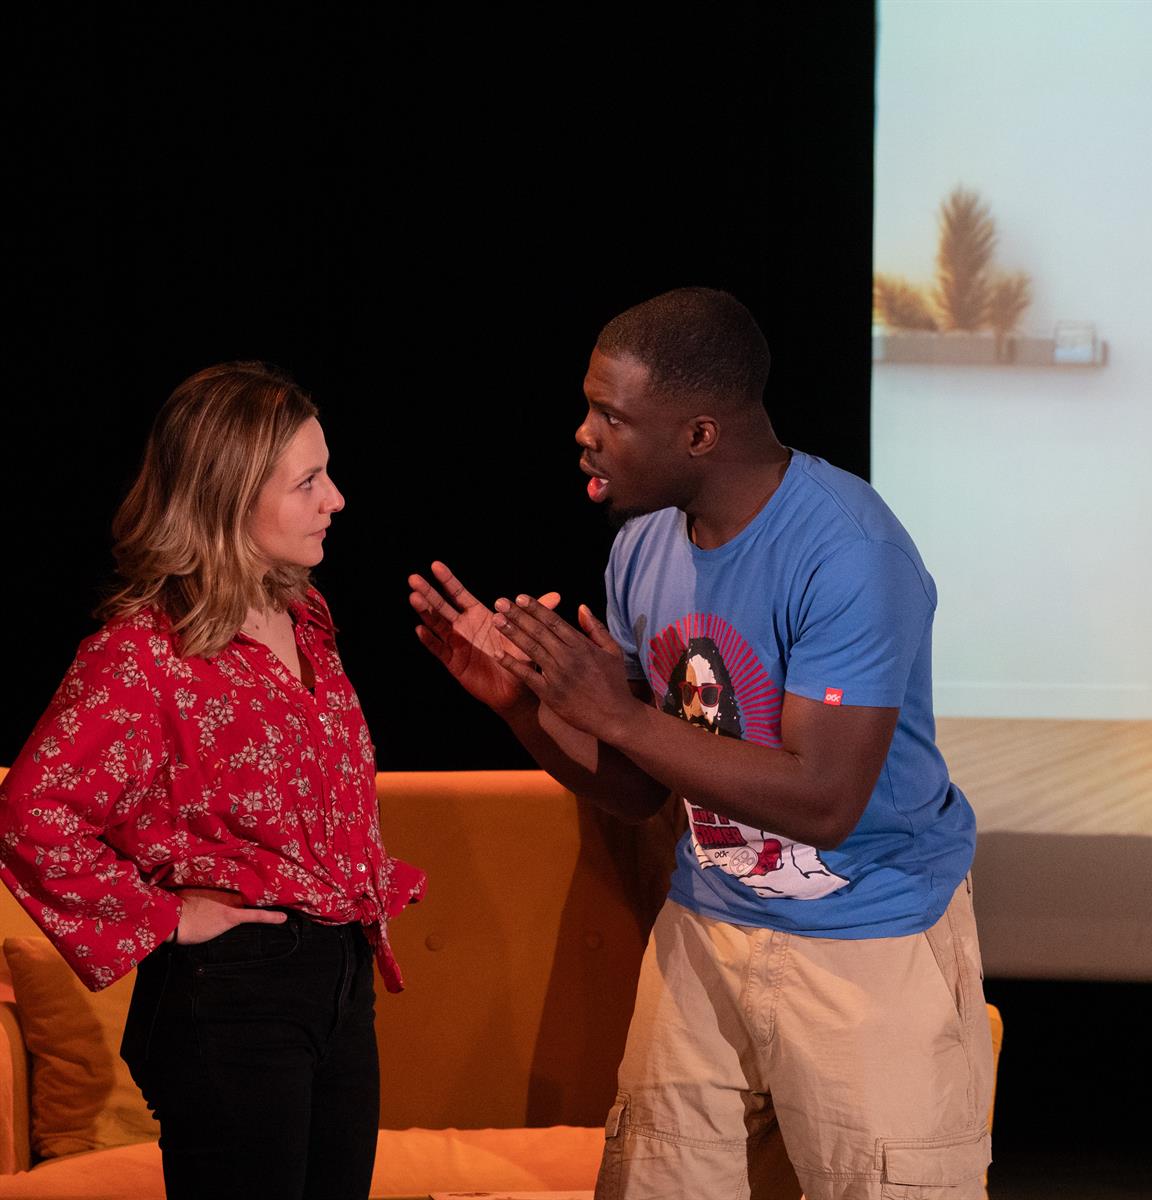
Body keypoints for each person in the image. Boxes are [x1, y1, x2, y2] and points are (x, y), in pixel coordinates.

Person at [408, 287, 990, 1199]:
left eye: (611, 416)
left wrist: (617, 715)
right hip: (705, 925)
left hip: (867, 941)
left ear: (700, 435)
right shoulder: (642, 545)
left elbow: (825, 802)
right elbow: (641, 788)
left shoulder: (850, 552)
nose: (585, 435)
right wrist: (525, 709)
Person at [0, 362, 426, 1199]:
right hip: (234, 993)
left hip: (338, 980)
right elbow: (31, 813)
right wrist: (163, 914)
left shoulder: (306, 620)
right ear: (230, 498)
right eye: (307, 482)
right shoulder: (144, 655)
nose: (336, 499)